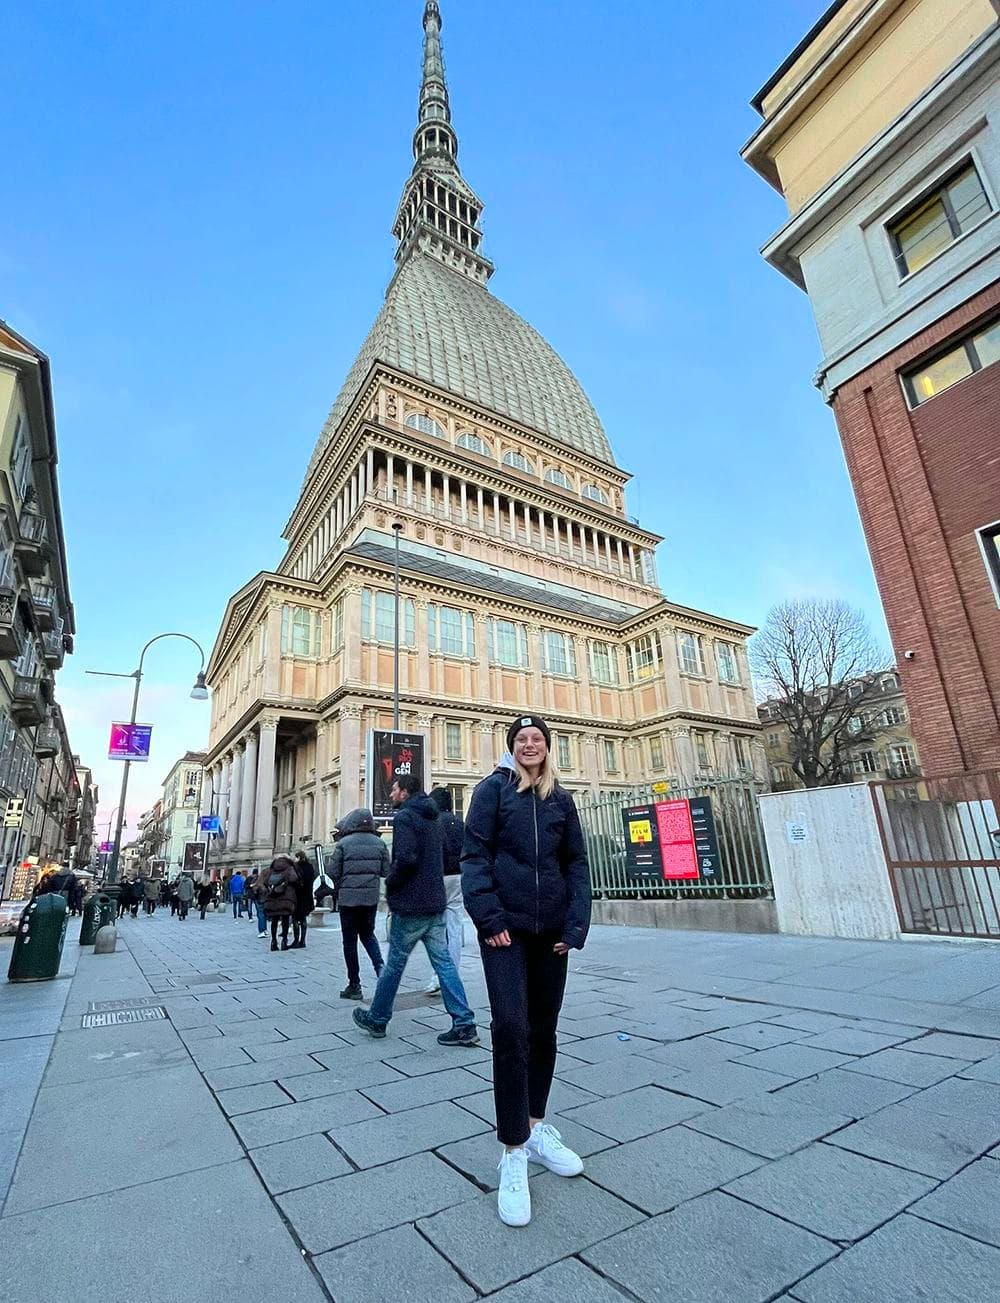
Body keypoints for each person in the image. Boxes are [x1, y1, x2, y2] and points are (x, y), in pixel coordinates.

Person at [462, 714, 592, 1228]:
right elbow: (474, 858)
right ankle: (513, 1149)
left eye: (537, 739)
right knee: (511, 1028)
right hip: (505, 932)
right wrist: (488, 917)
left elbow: (577, 864)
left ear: (547, 746)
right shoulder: (492, 792)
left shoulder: (560, 799)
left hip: (551, 934)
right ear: (512, 748)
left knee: (544, 1030)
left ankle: (536, 1126)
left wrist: (575, 924)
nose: (530, 745)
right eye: (522, 740)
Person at [353, 774, 478, 1046]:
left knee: (394, 965)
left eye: (395, 790)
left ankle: (377, 1017)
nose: (391, 794)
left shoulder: (406, 818)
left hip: (411, 903)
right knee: (444, 964)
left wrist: (392, 882)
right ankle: (464, 1022)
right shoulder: (433, 817)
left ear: (406, 792)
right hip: (435, 900)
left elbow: (406, 858)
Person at [329, 807, 387, 999]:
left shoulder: (343, 844)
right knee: (368, 935)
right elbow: (385, 871)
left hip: (348, 900)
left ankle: (354, 985)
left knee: (349, 942)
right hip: (370, 898)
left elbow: (333, 872)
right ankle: (382, 972)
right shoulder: (380, 843)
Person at [425, 787, 465, 996]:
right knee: (455, 926)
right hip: (459, 876)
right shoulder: (460, 823)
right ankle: (453, 973)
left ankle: (438, 976)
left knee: (437, 930)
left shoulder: (432, 823)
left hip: (438, 878)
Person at [262, 855, 297, 950]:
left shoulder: (272, 869)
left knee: (274, 920)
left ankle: (273, 941)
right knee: (285, 920)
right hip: (286, 898)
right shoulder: (289, 868)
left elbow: (265, 881)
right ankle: (284, 941)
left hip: (273, 898)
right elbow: (294, 879)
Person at [290, 851, 314, 948]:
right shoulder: (310, 867)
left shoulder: (296, 867)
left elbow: (293, 880)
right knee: (303, 918)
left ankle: (296, 940)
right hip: (307, 896)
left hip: (297, 895)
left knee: (295, 918)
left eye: (295, 857)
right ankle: (303, 941)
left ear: (299, 857)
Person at [246, 870, 267, 938]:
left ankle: (262, 930)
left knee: (260, 914)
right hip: (265, 900)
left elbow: (255, 890)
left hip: (259, 899)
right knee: (264, 914)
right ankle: (265, 930)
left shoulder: (258, 882)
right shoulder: (266, 882)